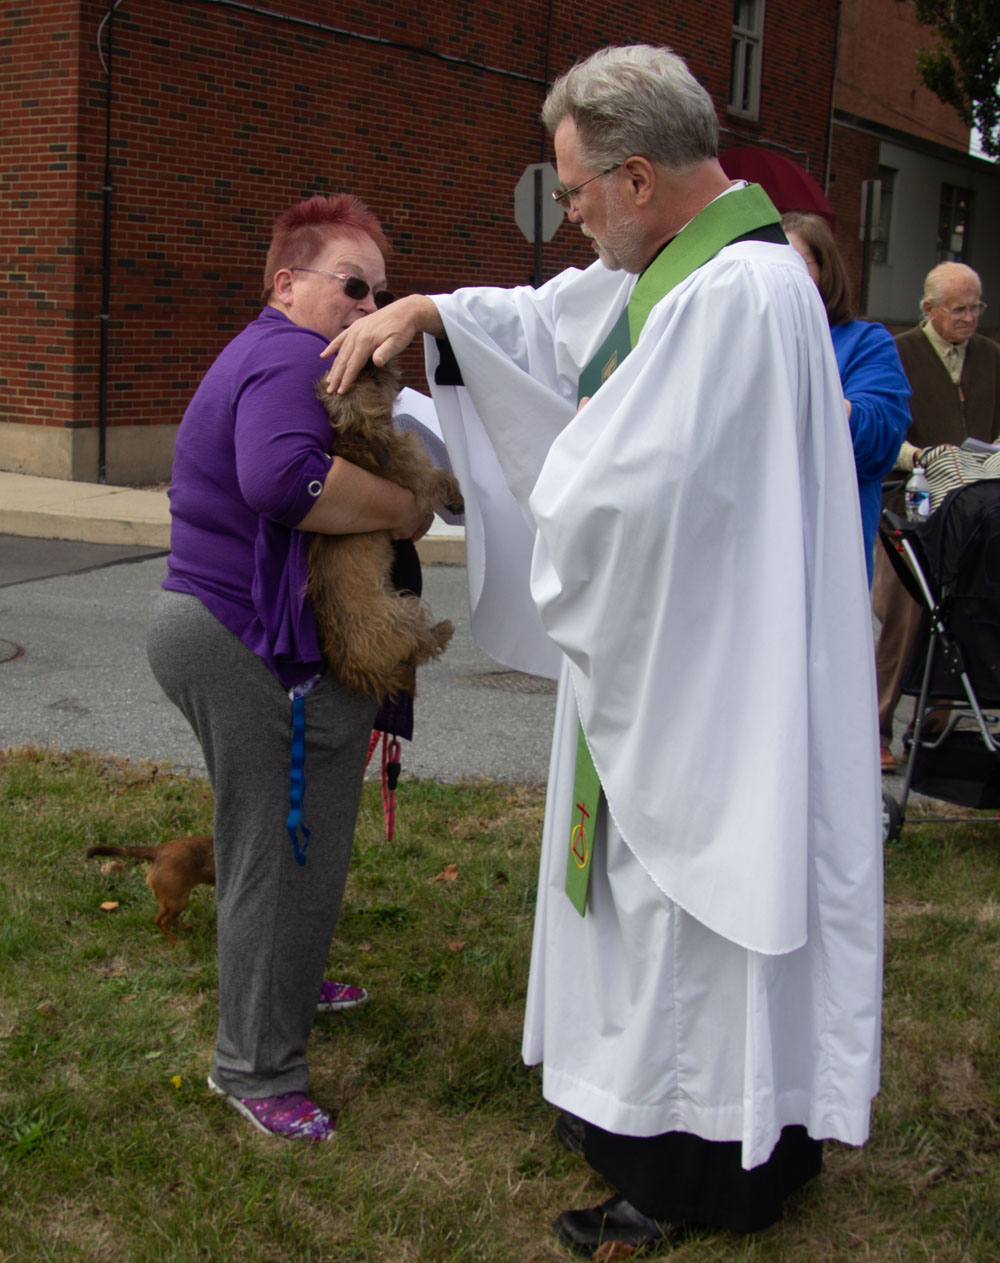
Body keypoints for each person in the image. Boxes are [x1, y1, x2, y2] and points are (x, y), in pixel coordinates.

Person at [325, 45, 883, 1252]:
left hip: (698, 675)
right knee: (654, 906)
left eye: (577, 193)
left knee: (676, 905)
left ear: (638, 178)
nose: (570, 219)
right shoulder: (702, 269)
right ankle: (710, 1136)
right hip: (693, 645)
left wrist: (506, 474)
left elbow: (622, 492)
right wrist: (437, 314)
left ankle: (683, 1174)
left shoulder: (734, 295)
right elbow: (555, 320)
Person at [146, 193, 430, 1141]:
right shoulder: (284, 355)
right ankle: (256, 1068)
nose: (371, 308)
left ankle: (291, 983)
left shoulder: (284, 354)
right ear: (287, 283)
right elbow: (282, 480)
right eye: (353, 286)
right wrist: (403, 506)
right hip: (233, 637)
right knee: (277, 839)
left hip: (230, 630)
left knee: (300, 831)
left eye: (382, 293)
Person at [872, 262, 1000, 771]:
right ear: (929, 309)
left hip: (976, 510)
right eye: (959, 309)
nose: (970, 318)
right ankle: (878, 724)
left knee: (964, 610)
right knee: (906, 615)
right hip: (911, 504)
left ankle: (935, 727)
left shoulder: (990, 355)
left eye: (977, 307)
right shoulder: (897, 352)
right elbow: (881, 423)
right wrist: (919, 456)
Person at [781, 211, 911, 585]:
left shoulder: (866, 342)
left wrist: (807, 398)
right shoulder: (750, 339)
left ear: (825, 269)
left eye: (795, 262)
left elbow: (880, 439)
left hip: (828, 554)